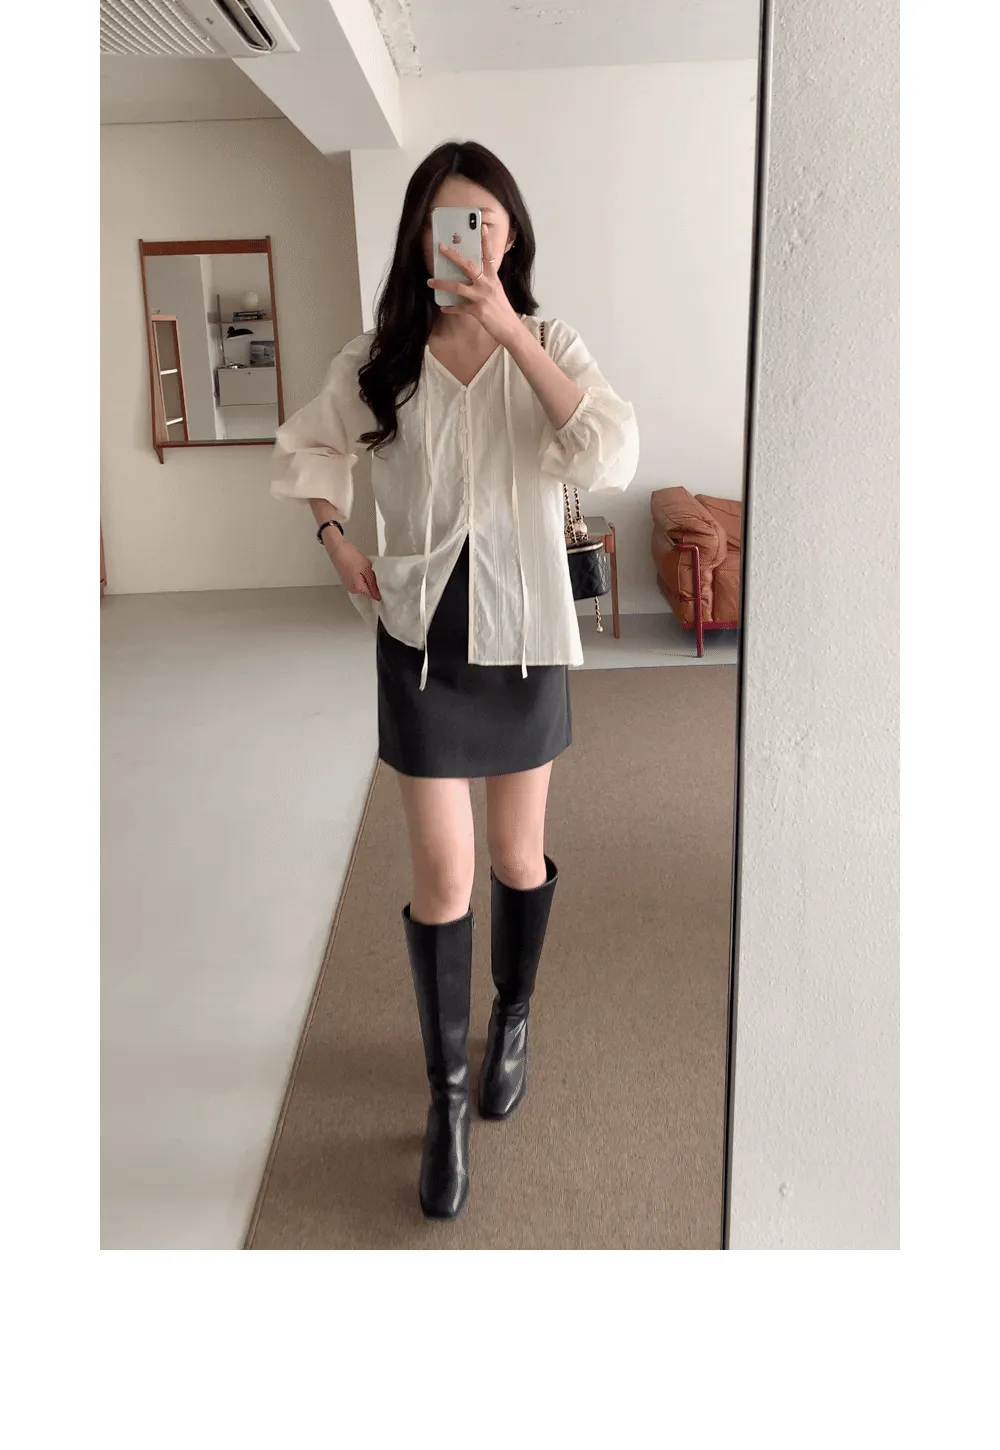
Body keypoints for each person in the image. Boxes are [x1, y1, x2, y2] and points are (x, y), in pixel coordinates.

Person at [271, 140, 638, 1222]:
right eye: (450, 222)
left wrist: (514, 333)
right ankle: (444, 1100)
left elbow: (608, 453)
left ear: (510, 237)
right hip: (420, 642)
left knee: (517, 856)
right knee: (444, 877)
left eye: (487, 221)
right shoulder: (382, 356)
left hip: (524, 638)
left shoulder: (551, 344)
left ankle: (511, 1018)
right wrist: (335, 537)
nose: (471, 240)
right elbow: (313, 446)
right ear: (421, 237)